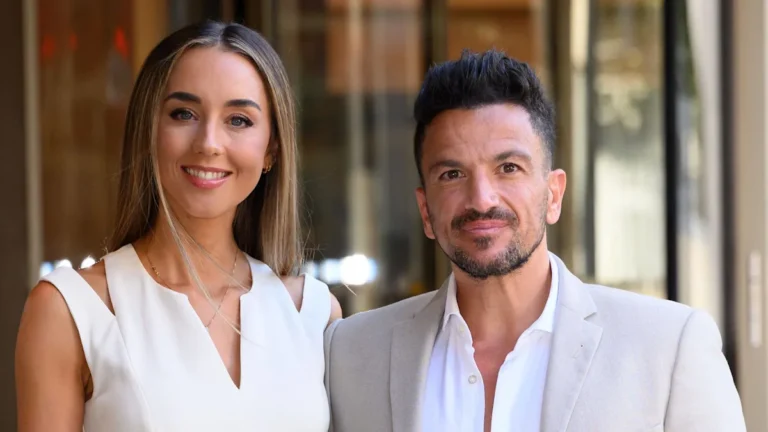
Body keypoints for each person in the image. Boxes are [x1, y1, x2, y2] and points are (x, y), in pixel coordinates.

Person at [324, 49, 745, 432]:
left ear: (553, 195)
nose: (482, 199)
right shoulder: (351, 354)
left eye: (508, 168)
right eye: (452, 174)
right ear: (425, 211)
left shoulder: (669, 347)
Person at [15, 20, 341, 431]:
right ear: (149, 131)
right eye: (183, 113)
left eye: (239, 120)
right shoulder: (73, 310)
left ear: (271, 149)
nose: (209, 143)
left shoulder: (312, 313)